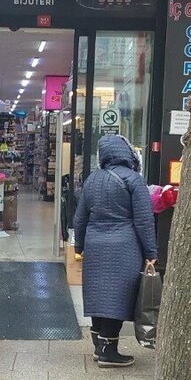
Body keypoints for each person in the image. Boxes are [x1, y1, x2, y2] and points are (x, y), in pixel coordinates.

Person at [73, 134, 157, 368]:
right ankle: (109, 351)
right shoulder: (133, 179)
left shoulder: (92, 179)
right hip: (124, 246)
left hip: (95, 244)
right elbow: (143, 220)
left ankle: (100, 347)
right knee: (117, 297)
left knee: (98, 295)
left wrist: (79, 246)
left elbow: (80, 218)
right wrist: (151, 251)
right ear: (127, 153)